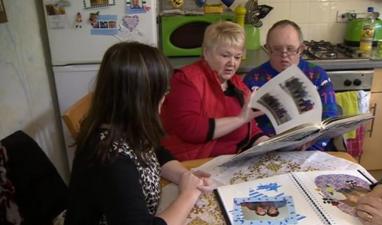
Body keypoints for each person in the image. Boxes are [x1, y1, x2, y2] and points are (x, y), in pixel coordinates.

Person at [64, 42, 212, 225]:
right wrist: (188, 195)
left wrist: (184, 177)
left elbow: (156, 151)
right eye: (163, 95)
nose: (164, 102)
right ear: (140, 100)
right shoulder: (110, 157)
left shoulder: (123, 123)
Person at [160, 21, 270, 161]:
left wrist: (267, 144)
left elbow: (250, 127)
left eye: (237, 57)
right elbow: (190, 129)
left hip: (230, 161)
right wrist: (239, 119)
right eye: (225, 56)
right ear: (206, 52)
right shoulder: (185, 80)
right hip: (192, 164)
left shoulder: (238, 85)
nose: (232, 63)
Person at [243, 19, 339, 150]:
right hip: (267, 150)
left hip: (313, 148)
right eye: (277, 49)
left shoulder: (317, 75)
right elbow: (246, 125)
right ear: (268, 49)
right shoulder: (252, 80)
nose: (284, 55)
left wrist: (313, 146)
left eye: (290, 49)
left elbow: (330, 119)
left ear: (301, 49)